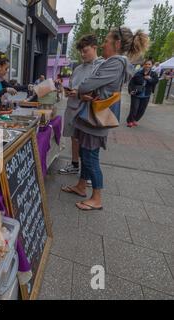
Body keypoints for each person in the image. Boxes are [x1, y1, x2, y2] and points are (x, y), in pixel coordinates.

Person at [62, 27, 148, 211]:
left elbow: (87, 84)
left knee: (90, 157)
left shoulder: (115, 63)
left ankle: (97, 197)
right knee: (85, 153)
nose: (103, 44)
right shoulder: (115, 62)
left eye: (107, 41)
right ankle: (81, 186)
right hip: (92, 117)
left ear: (117, 44)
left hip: (96, 119)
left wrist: (86, 89)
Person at [59, 34, 103, 175]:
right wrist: (68, 92)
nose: (82, 55)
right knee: (74, 138)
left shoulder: (100, 67)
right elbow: (73, 85)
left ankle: (88, 173)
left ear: (94, 48)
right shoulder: (78, 68)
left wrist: (79, 94)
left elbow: (99, 92)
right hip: (73, 108)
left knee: (87, 143)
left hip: (87, 112)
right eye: (81, 52)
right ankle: (74, 164)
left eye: (85, 51)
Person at [126, 59, 159, 127]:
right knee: (134, 108)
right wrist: (130, 90)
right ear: (144, 65)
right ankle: (130, 121)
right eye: (146, 64)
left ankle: (135, 120)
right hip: (136, 93)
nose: (147, 65)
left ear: (152, 65)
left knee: (142, 109)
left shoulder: (153, 74)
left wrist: (149, 79)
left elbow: (155, 81)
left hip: (146, 94)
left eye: (149, 64)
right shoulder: (138, 73)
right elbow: (131, 82)